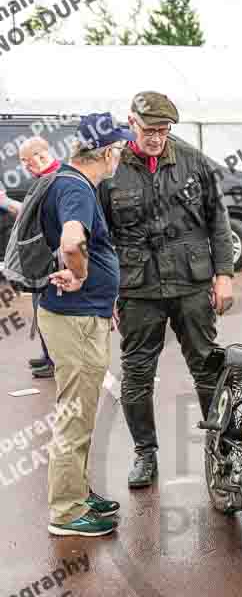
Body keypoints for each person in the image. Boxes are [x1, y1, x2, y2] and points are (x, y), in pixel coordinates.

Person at [98, 92, 234, 489]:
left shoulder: (194, 161)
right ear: (131, 123)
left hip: (191, 283)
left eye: (164, 129)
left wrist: (224, 275)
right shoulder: (112, 167)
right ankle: (145, 453)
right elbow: (100, 236)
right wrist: (108, 292)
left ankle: (221, 450)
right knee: (137, 373)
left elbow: (218, 220)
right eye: (149, 130)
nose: (157, 137)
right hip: (138, 287)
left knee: (207, 366)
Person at [37, 113, 135, 537]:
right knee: (75, 415)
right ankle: (66, 511)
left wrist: (101, 295)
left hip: (80, 313)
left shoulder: (66, 180)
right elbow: (72, 241)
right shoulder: (76, 188)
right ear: (107, 153)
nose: (121, 157)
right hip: (74, 319)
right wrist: (79, 277)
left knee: (79, 411)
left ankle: (76, 491)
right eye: (120, 150)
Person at [18, 137, 62, 378]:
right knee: (42, 310)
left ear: (42, 154)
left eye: (27, 160)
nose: (25, 165)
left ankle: (55, 360)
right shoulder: (44, 179)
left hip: (51, 260)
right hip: (41, 258)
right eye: (23, 161)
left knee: (49, 312)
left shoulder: (56, 180)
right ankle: (49, 356)